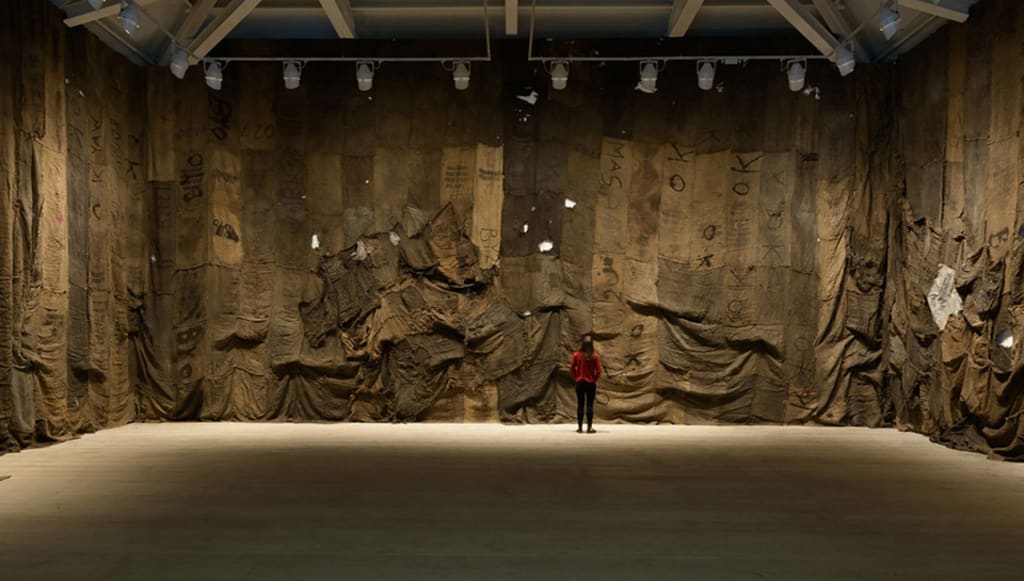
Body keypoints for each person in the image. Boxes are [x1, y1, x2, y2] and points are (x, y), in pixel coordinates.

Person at [570, 335, 602, 434]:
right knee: (590, 405)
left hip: (579, 383)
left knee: (580, 404)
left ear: (582, 343)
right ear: (592, 344)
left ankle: (580, 428)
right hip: (590, 383)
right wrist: (594, 379)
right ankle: (589, 428)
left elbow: (572, 368)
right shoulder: (595, 356)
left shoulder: (576, 355)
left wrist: (576, 378)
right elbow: (599, 371)